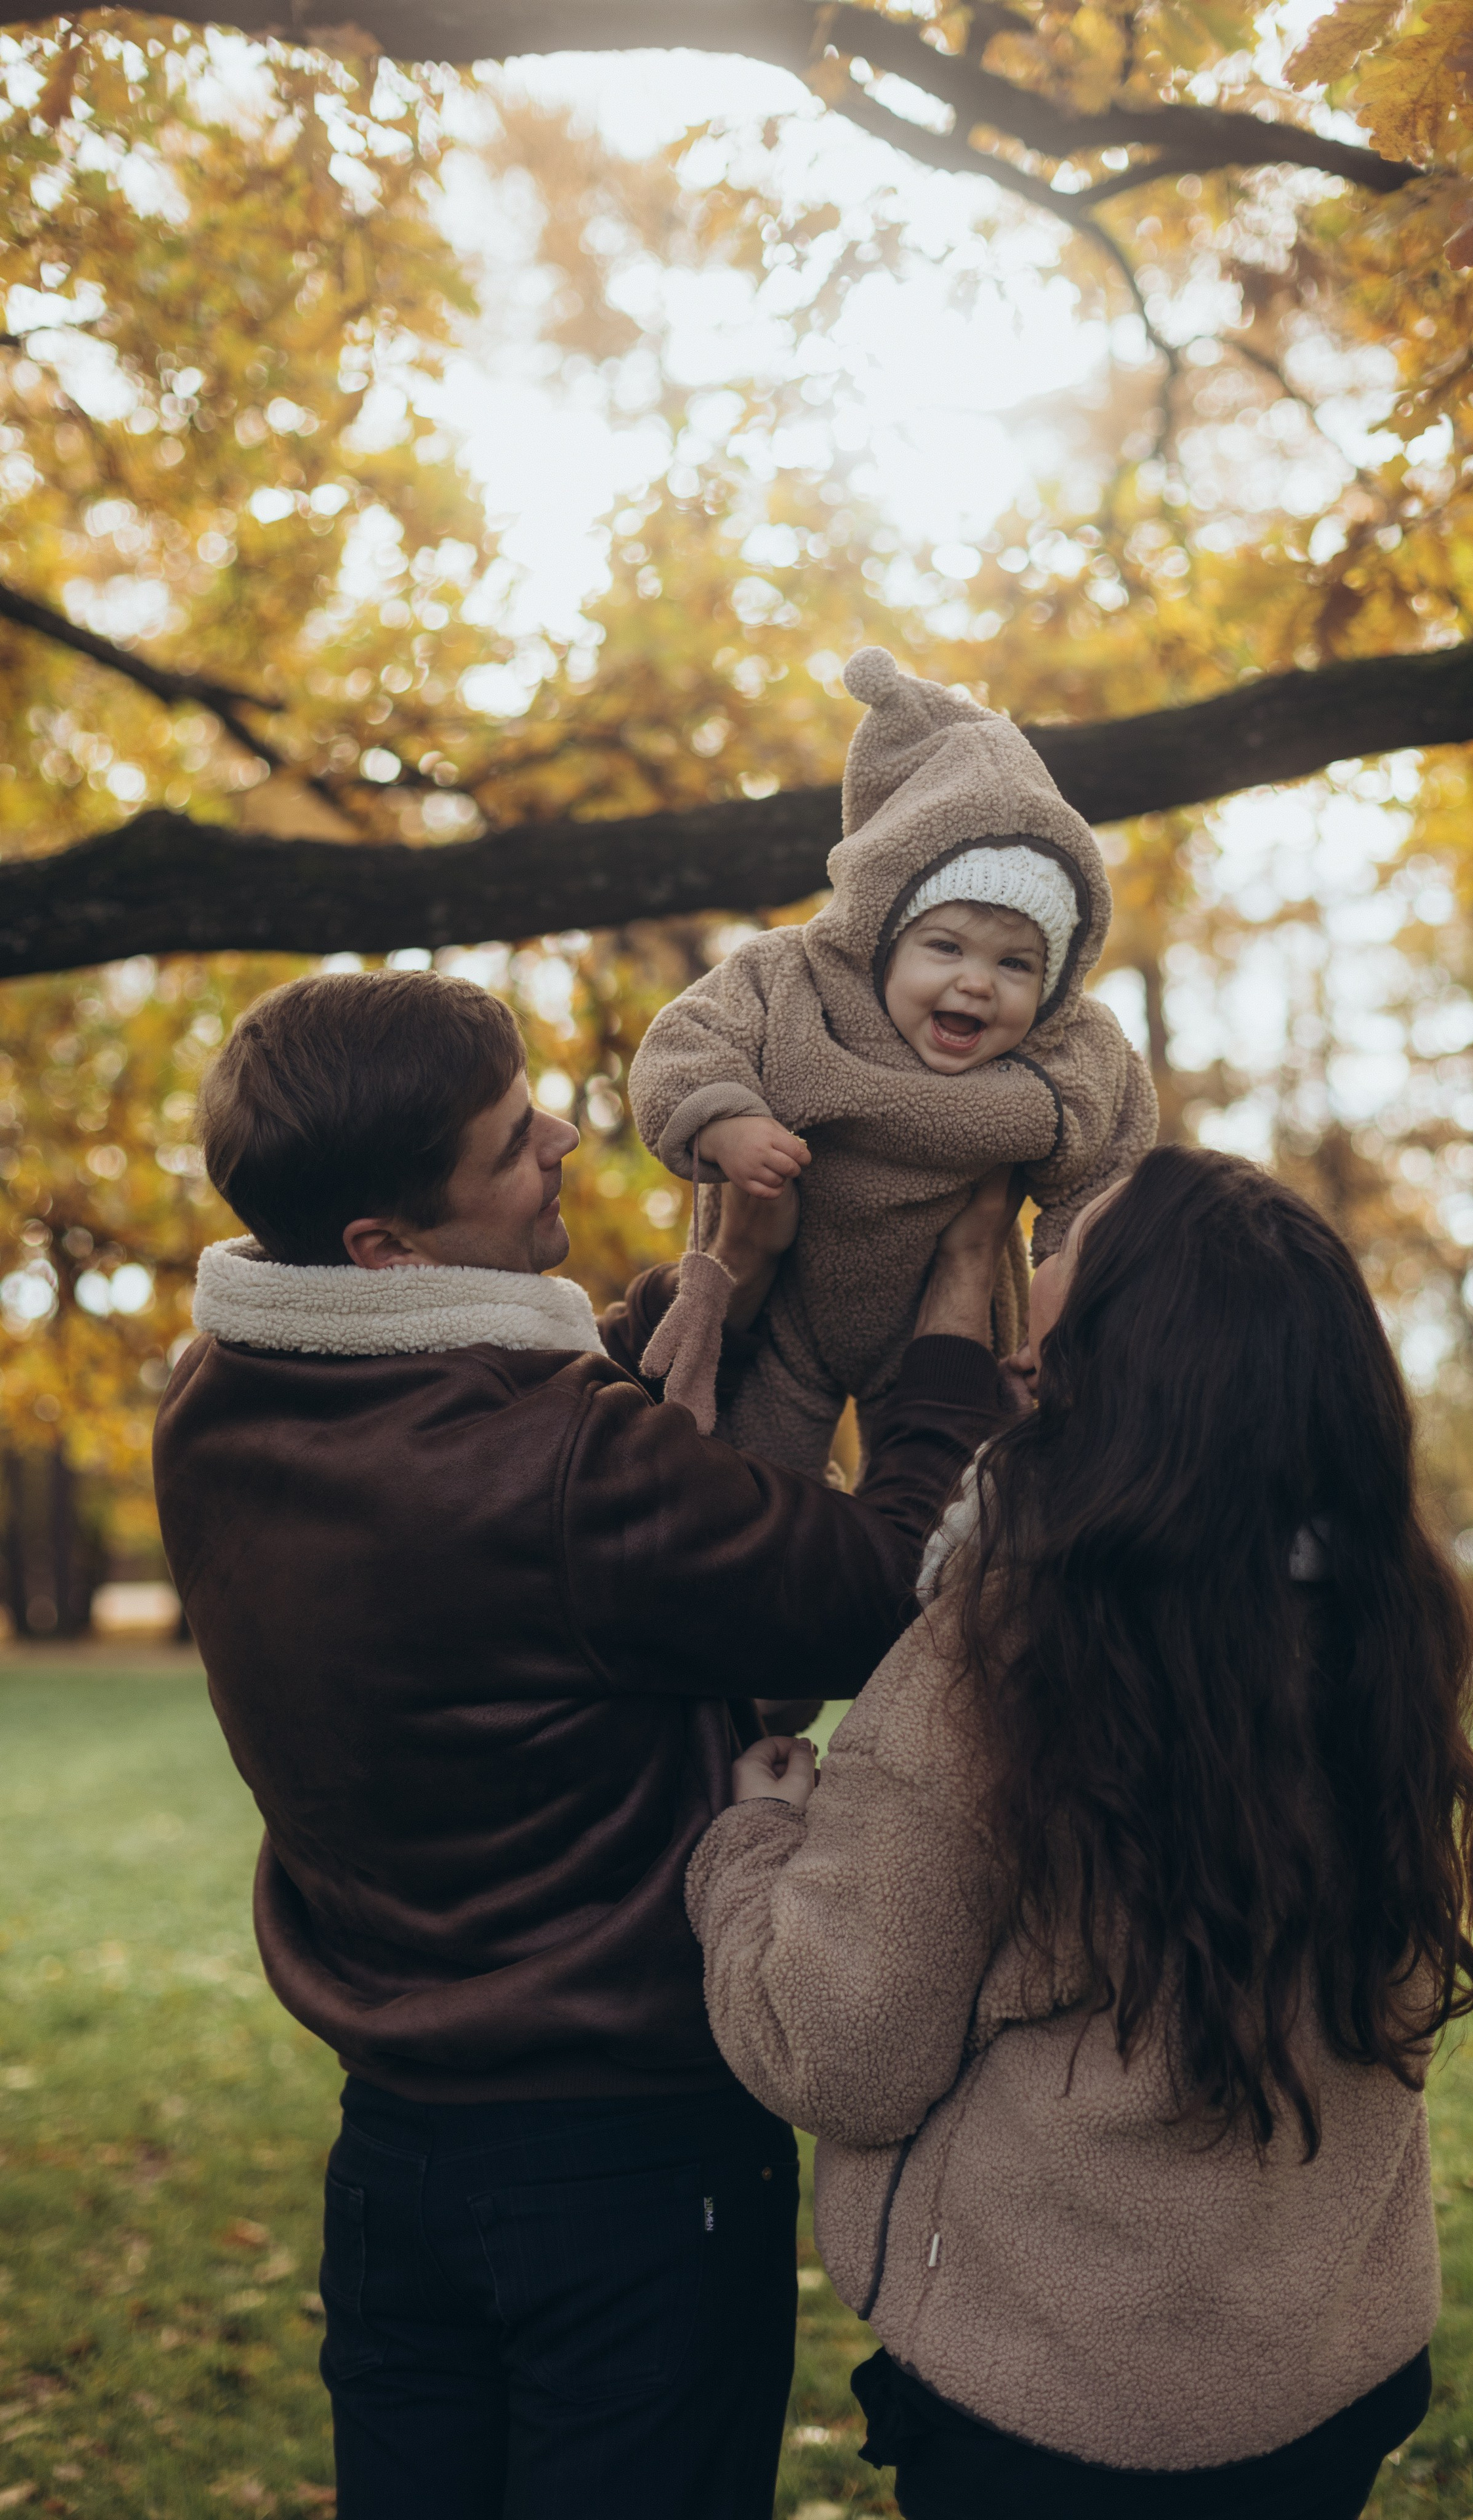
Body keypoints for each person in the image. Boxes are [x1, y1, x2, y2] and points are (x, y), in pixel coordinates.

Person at [152, 966, 1016, 2520]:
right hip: (626, 2170)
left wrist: (715, 1282)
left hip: (393, 2153)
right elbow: (875, 1585)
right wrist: (949, 1342)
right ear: (384, 1246)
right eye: (507, 1139)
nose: (559, 1134)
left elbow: (500, 1441)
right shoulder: (558, 1470)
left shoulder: (216, 1399)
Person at [687, 1144, 1473, 2520]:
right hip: (1331, 2368)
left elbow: (836, 2049)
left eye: (1069, 1248)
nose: (1043, 1263)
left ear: (1113, 1350)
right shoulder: (1380, 1622)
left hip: (1056, 2407)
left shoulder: (1003, 1655)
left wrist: (749, 1851)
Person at [627, 645, 1155, 1469]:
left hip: (949, 1315)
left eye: (1015, 965)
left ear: (1054, 982)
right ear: (882, 932)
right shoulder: (794, 982)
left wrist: (1071, 1311)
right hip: (782, 1306)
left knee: (959, 1502)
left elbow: (1105, 1178)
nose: (977, 985)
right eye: (946, 947)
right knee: (748, 1482)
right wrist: (727, 1120)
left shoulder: (1071, 1050)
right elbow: (686, 1040)